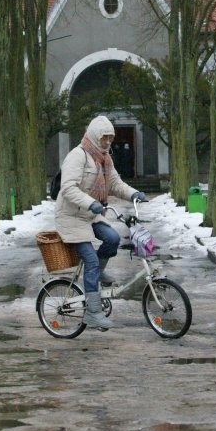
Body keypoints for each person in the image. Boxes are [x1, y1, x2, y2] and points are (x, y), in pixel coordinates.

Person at [54, 115, 146, 329]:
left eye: (110, 138)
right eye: (104, 138)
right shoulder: (77, 156)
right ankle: (93, 312)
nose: (107, 142)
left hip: (89, 214)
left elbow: (115, 184)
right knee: (91, 261)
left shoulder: (105, 159)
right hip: (71, 217)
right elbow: (68, 188)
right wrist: (90, 203)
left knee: (112, 239)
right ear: (94, 136)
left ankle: (96, 272)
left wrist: (134, 194)